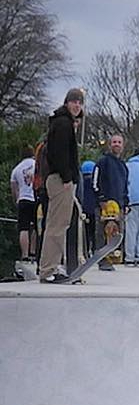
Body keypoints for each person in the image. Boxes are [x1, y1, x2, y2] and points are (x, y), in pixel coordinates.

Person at [37, 88, 85, 283]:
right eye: (74, 102)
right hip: (60, 180)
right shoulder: (64, 124)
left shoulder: (60, 122)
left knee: (55, 224)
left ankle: (50, 266)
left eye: (80, 103)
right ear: (67, 103)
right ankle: (48, 270)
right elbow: (59, 153)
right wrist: (66, 178)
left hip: (57, 179)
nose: (77, 106)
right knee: (57, 225)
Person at [10, 152, 37, 264]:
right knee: (36, 227)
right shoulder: (37, 164)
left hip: (23, 199)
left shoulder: (16, 169)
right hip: (35, 198)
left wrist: (16, 200)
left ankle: (25, 255)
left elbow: (14, 188)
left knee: (23, 228)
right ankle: (33, 252)